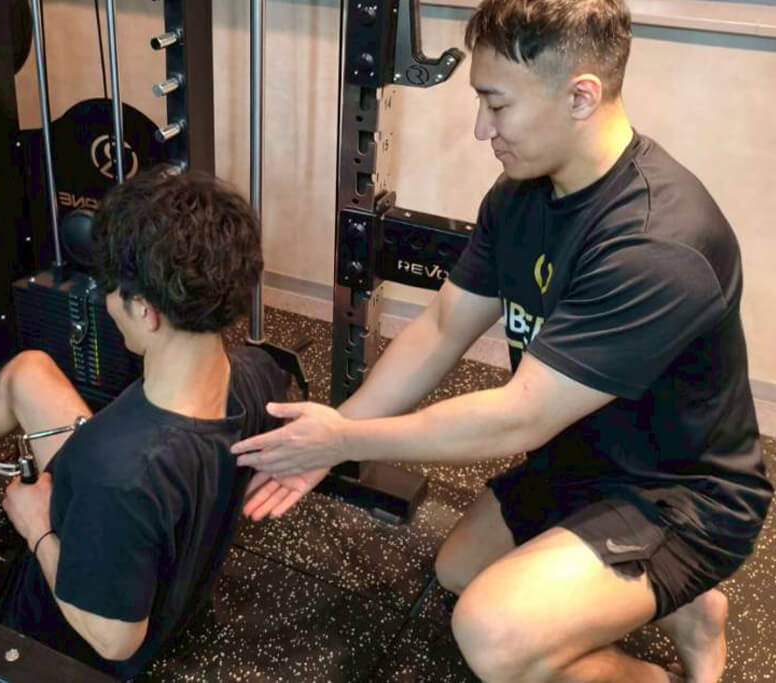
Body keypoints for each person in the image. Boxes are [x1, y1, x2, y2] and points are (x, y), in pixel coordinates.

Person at [232, 1, 772, 681]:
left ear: (581, 97)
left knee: (489, 635)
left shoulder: (656, 244)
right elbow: (441, 327)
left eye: (497, 103)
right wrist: (341, 428)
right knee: (458, 570)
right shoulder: (520, 195)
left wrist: (345, 442)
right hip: (579, 455)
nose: (481, 128)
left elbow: (520, 415)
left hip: (677, 495)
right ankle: (685, 608)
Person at [0, 169, 289, 678]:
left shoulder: (119, 472)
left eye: (111, 290)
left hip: (46, 630)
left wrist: (37, 527)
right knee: (30, 373)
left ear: (146, 311)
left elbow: (115, 640)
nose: (107, 301)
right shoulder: (256, 373)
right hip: (143, 543)